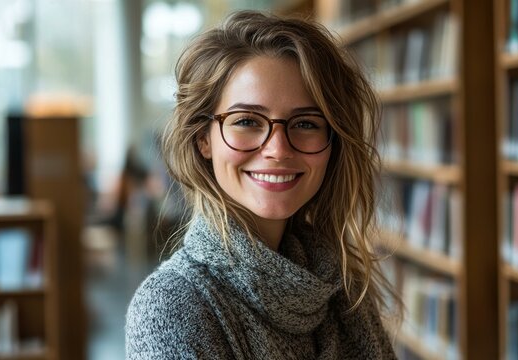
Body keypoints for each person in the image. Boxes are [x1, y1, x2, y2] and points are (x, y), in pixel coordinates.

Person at [126, 10, 400, 359]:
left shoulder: (342, 285)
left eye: (305, 124)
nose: (277, 149)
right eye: (246, 121)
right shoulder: (172, 306)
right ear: (203, 139)